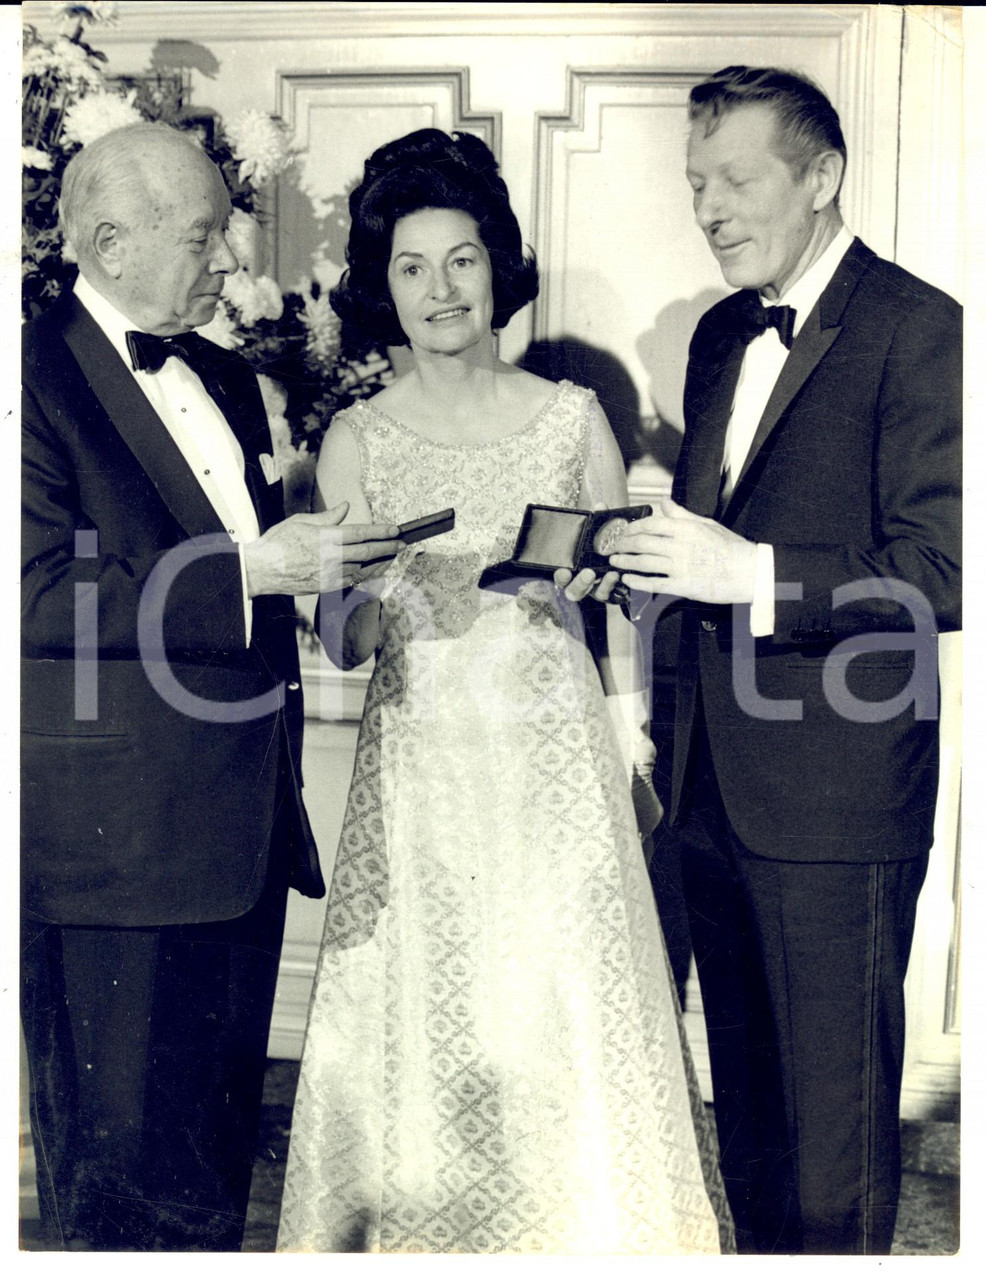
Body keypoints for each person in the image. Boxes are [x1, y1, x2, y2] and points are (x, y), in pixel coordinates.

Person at [276, 128, 732, 1254]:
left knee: (560, 1006)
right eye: (413, 267)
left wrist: (604, 590)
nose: (441, 289)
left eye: (463, 259)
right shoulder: (355, 439)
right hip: (421, 777)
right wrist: (362, 587)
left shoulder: (573, 416)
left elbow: (623, 603)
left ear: (499, 268)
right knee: (430, 1016)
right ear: (383, 287)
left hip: (554, 770)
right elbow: (342, 640)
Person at [21, 122, 404, 1251]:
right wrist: (249, 570)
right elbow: (35, 594)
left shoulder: (229, 377)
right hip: (115, 855)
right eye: (203, 239)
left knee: (207, 1180)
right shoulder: (24, 376)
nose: (230, 263)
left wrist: (318, 558)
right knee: (120, 1195)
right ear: (107, 242)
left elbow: (220, 560)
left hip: (241, 835)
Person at [601, 67, 961, 1254]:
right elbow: (710, 536)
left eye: (736, 179)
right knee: (750, 1132)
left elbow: (941, 569)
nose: (707, 207)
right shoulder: (716, 335)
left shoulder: (923, 329)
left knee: (832, 1156)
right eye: (697, 182)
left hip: (836, 809)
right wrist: (645, 563)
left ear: (821, 177)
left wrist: (747, 572)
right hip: (709, 791)